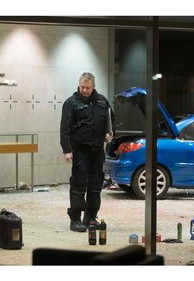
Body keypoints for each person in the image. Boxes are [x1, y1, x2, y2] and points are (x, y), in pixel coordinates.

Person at [60, 72, 115, 232]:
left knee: (95, 185)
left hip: (98, 150)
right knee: (78, 184)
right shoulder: (71, 103)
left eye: (88, 88)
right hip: (80, 150)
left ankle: (91, 218)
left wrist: (109, 133)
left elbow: (111, 121)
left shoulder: (102, 102)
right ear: (79, 85)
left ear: (93, 87)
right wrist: (66, 150)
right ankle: (75, 219)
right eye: (82, 87)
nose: (84, 90)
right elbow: (64, 129)